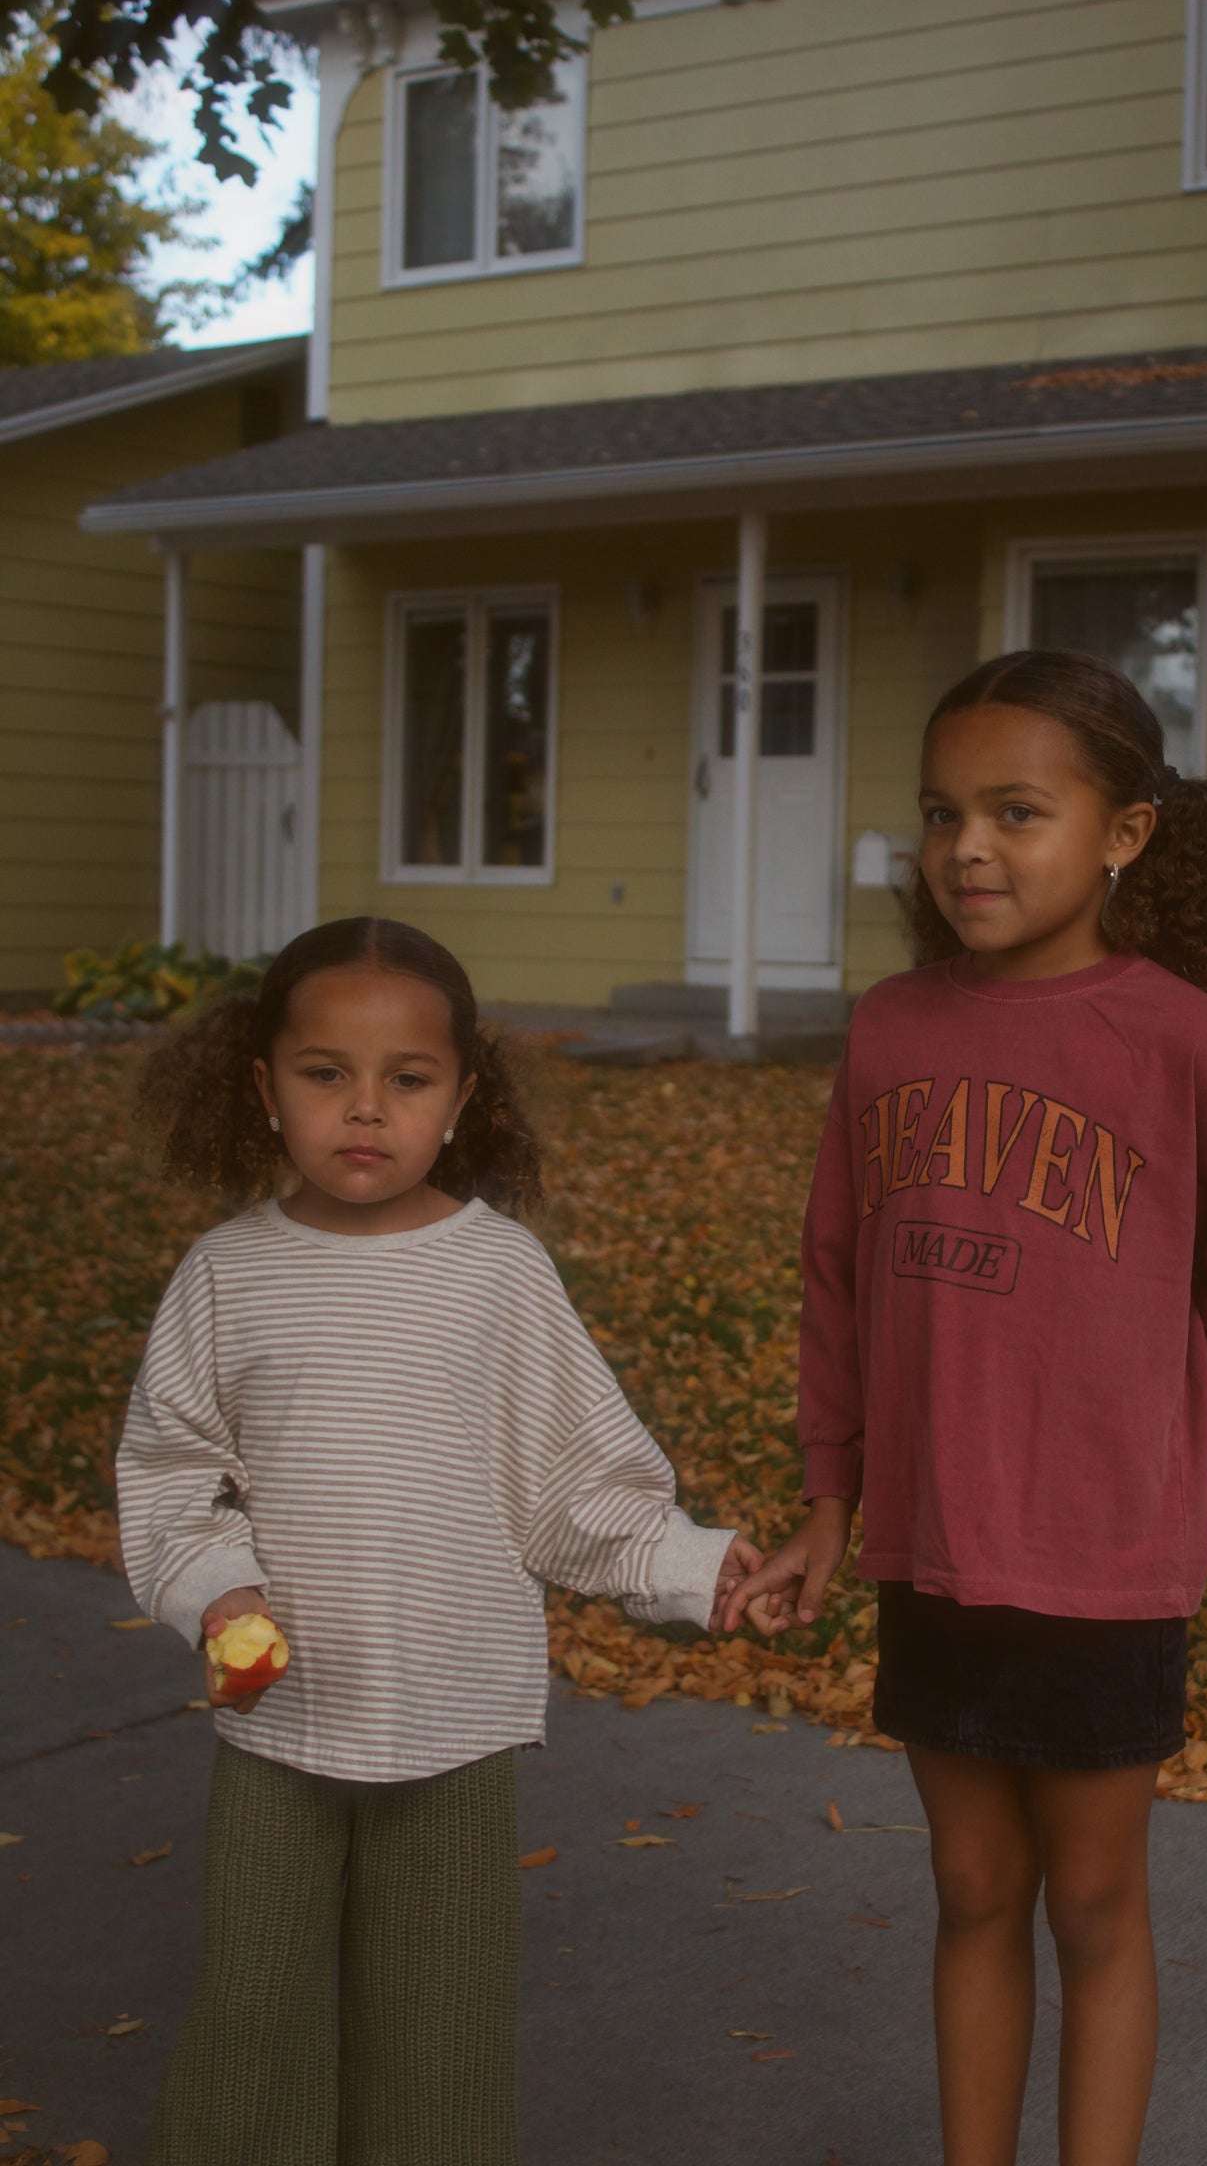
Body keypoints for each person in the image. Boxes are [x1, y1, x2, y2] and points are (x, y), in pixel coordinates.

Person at [725, 651, 1207, 2166]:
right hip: (931, 1546)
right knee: (973, 1891)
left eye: (1016, 811)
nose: (967, 847)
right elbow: (838, 1279)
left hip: (1102, 1551)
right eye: (941, 812)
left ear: (1122, 835)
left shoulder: (1181, 1041)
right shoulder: (889, 1030)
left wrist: (1132, 1400)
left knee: (1096, 1903)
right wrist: (832, 1498)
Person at [116, 915, 757, 2166]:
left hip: (453, 1719)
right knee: (256, 2012)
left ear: (462, 1095)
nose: (365, 1108)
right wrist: (220, 1592)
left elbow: (572, 1476)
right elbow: (170, 1471)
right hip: (279, 1721)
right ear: (263, 1086)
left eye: (405, 1079)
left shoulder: (496, 1272)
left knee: (438, 2036)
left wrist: (691, 1563)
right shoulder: (226, 1275)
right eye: (323, 1074)